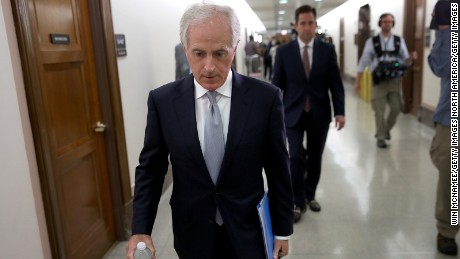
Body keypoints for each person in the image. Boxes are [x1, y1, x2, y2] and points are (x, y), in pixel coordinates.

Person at [126, 3, 294, 259]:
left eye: (219, 53)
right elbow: (151, 168)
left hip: (248, 229)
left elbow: (278, 167)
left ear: (235, 48)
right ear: (185, 50)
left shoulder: (265, 98)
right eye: (198, 53)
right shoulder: (163, 102)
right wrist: (141, 228)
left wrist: (282, 231)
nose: (209, 67)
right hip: (192, 231)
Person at [272, 5, 345, 222]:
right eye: (302, 23)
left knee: (315, 157)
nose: (306, 27)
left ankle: (310, 194)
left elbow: (335, 84)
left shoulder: (327, 50)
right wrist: (272, 114)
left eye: (310, 23)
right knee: (294, 157)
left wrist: (340, 112)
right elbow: (277, 85)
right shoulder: (284, 52)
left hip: (319, 113)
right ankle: (297, 199)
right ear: (295, 26)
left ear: (315, 24)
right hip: (292, 113)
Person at [354, 13, 417, 148]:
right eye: (384, 21)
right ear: (380, 23)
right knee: (379, 110)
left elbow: (406, 61)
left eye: (389, 21)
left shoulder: (399, 41)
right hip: (378, 81)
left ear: (392, 24)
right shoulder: (372, 42)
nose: (387, 24)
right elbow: (363, 61)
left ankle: (385, 130)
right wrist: (357, 81)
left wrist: (411, 58)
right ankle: (381, 137)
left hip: (394, 80)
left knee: (396, 108)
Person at [427, 0, 458, 255]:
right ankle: (447, 229)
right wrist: (447, 29)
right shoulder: (450, 8)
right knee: (451, 175)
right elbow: (441, 67)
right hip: (452, 116)